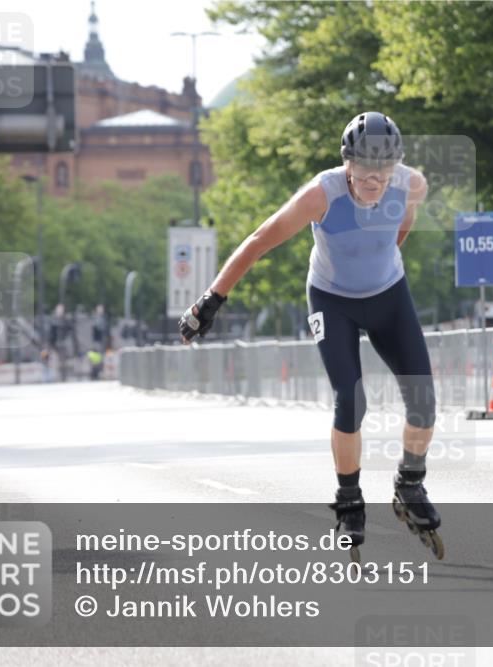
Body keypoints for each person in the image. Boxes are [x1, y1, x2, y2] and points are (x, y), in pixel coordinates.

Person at [180, 112, 442, 559]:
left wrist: (380, 259)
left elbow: (403, 226)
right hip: (332, 300)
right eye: (363, 173)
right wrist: (211, 301)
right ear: (347, 165)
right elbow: (260, 240)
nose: (374, 183)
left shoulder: (411, 184)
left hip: (388, 295)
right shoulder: (320, 195)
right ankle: (349, 501)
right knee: (351, 399)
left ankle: (409, 483)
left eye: (382, 173)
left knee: (423, 398)